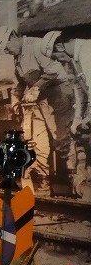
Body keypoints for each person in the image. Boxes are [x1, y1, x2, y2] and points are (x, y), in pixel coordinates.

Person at [0, 25, 76, 197]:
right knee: (38, 142)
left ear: (13, 36)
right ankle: (44, 183)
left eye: (7, 47)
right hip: (38, 101)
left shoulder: (37, 46)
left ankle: (76, 181)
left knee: (61, 138)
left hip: (58, 94)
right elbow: (19, 84)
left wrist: (36, 87)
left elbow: (54, 72)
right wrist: (15, 102)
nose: (7, 52)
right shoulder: (17, 58)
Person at [45, 31, 90, 197]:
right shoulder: (74, 60)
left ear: (59, 46)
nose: (58, 61)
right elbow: (80, 93)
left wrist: (88, 117)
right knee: (82, 137)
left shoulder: (87, 51)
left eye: (56, 57)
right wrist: (77, 120)